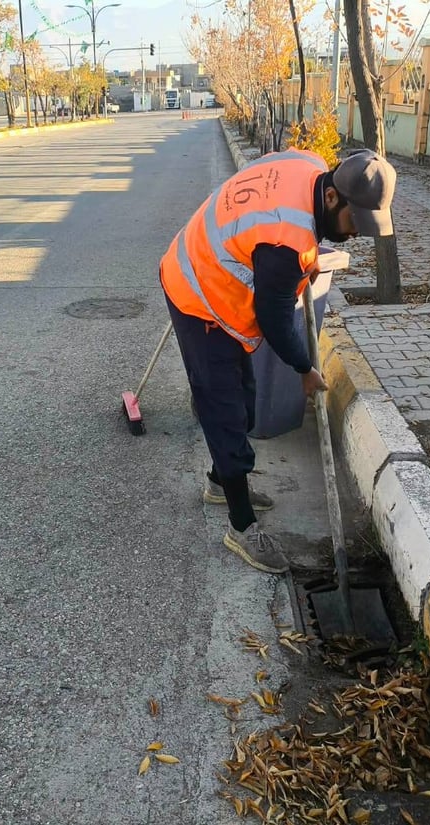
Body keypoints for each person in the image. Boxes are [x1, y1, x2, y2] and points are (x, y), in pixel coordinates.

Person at [159, 147, 397, 574]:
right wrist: (305, 368)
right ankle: (241, 525)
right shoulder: (286, 242)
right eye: (353, 223)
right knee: (225, 409)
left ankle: (220, 481)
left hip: (220, 276)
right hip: (198, 295)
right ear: (331, 198)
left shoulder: (308, 163)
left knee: (246, 397)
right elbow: (273, 318)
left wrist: (305, 261)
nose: (355, 234)